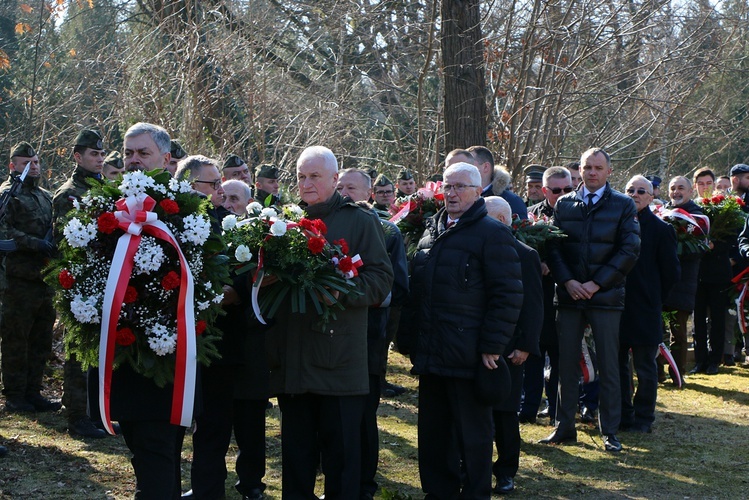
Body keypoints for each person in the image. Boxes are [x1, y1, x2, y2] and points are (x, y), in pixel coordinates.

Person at [264, 146, 393, 498]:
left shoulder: (360, 221)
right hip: (293, 358)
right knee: (296, 458)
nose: (306, 183)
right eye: (301, 176)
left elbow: (381, 281)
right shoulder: (284, 221)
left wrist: (340, 291)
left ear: (335, 179)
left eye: (315, 176)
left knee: (341, 460)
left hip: (338, 361)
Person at [399, 162, 523, 498]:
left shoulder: (492, 234)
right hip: (432, 353)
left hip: (471, 357)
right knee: (434, 435)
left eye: (459, 187)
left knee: (474, 436)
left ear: (478, 190)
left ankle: (476, 493)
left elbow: (508, 294)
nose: (451, 194)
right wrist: (410, 341)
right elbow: (418, 291)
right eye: (447, 187)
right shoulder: (430, 232)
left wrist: (492, 346)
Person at [542, 148, 640, 453]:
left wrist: (596, 284)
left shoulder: (623, 205)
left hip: (605, 296)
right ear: (580, 170)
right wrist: (568, 281)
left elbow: (630, 249)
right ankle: (564, 427)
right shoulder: (565, 204)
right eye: (587, 167)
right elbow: (553, 247)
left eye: (598, 167)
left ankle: (609, 431)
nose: (592, 172)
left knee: (610, 366)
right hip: (570, 296)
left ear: (609, 171)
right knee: (566, 364)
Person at [336, 168, 409, 499]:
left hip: (368, 339)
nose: (344, 193)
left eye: (351, 187)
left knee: (362, 417)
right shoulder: (323, 228)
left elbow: (397, 289)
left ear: (368, 193)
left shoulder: (387, 231)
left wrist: (354, 292)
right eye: (339, 187)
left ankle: (365, 483)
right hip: (330, 339)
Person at [53, 129, 109, 439]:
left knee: (100, 350)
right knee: (77, 351)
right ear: (78, 157)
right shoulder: (68, 194)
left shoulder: (105, 189)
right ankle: (77, 416)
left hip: (103, 279)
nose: (99, 159)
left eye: (102, 154)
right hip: (78, 280)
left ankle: (97, 412)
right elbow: (67, 242)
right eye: (93, 154)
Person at [485, 195, 542, 495]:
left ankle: (506, 470)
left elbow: (533, 306)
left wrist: (525, 346)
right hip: (479, 344)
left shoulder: (525, 254)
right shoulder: (475, 248)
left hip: (511, 347)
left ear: (504, 221)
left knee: (506, 413)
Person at [0, 142, 59, 414]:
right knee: (16, 339)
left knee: (41, 339)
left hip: (43, 279)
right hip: (17, 279)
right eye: (26, 163)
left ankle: (33, 392)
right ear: (13, 166)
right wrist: (35, 244)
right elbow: (3, 233)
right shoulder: (6, 195)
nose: (33, 167)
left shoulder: (45, 196)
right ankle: (14, 394)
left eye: (35, 162)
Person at [619, 176, 680, 433]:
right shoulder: (616, 224)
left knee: (645, 367)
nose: (635, 194)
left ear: (651, 196)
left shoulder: (661, 229)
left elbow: (671, 273)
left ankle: (644, 417)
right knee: (618, 365)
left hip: (646, 306)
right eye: (630, 190)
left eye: (641, 191)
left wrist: (655, 297)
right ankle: (623, 414)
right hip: (617, 305)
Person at [519, 166, 574, 424]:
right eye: (556, 190)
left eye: (568, 189)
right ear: (544, 191)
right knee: (533, 353)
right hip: (538, 295)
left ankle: (557, 411)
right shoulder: (530, 216)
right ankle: (528, 407)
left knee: (561, 358)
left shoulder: (579, 215)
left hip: (566, 296)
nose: (562, 194)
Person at [662, 176, 704, 384]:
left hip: (683, 282)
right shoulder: (660, 213)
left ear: (689, 192)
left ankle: (677, 373)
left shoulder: (698, 216)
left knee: (677, 331)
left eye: (681, 188)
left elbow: (699, 249)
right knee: (658, 329)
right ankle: (656, 373)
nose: (676, 192)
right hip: (660, 282)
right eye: (672, 188)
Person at [691, 167, 732, 376]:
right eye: (701, 184)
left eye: (708, 184)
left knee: (717, 318)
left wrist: (715, 245)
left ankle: (715, 359)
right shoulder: (691, 208)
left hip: (717, 273)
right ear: (695, 186)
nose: (705, 188)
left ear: (714, 185)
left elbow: (732, 238)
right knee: (698, 319)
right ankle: (699, 360)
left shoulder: (724, 208)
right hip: (696, 273)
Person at [467, 145, 528, 220]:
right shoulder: (460, 198)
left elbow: (520, 230)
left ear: (485, 167)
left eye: (469, 165)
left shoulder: (511, 200)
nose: (464, 170)